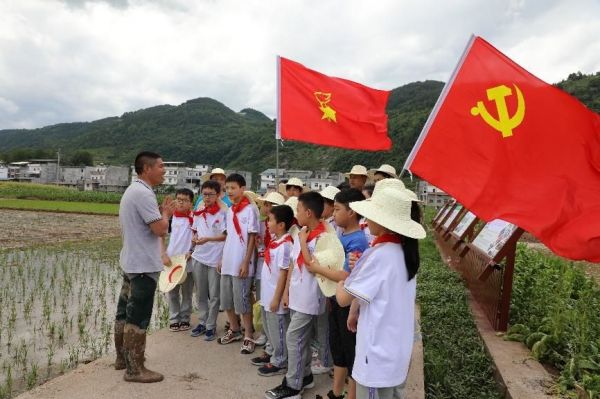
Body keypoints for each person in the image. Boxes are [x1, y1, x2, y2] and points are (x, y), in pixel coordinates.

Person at [336, 179, 425, 399]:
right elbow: (379, 290)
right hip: (396, 351)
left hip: (377, 356)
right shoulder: (404, 251)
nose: (366, 219)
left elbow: (343, 299)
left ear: (383, 220)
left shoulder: (379, 254)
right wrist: (357, 307)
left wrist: (341, 276)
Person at [115, 151, 175, 383]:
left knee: (124, 312)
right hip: (142, 266)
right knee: (137, 316)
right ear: (147, 168)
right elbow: (160, 229)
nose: (164, 170)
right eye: (161, 166)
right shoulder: (143, 194)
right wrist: (166, 214)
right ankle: (135, 369)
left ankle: (122, 359)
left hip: (132, 261)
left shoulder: (134, 190)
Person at [306, 188, 369, 399]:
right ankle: (336, 392)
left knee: (350, 353)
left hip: (347, 306)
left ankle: (350, 395)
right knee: (338, 349)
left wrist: (318, 269)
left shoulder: (358, 240)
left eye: (338, 209)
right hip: (335, 301)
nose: (333, 214)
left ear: (351, 212)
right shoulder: (342, 234)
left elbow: (345, 275)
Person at [265, 192, 327, 399]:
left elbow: (314, 267)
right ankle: (306, 375)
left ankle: (293, 385)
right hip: (297, 296)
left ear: (308, 212)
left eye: (298, 210)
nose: (296, 214)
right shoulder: (302, 232)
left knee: (293, 338)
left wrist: (302, 239)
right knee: (302, 339)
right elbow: (292, 263)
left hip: (310, 298)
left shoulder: (322, 237)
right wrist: (287, 292)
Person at [218, 173, 260, 354]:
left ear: (243, 189)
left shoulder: (250, 210)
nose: (230, 192)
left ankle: (249, 334)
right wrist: (221, 258)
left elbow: (252, 236)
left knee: (242, 300)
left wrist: (246, 261)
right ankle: (234, 329)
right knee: (227, 299)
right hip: (228, 260)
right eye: (227, 188)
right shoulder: (230, 211)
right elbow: (229, 237)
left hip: (242, 262)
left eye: (233, 188)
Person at [252, 204, 295, 376]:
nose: (267, 223)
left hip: (274, 296)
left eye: (270, 220)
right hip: (267, 294)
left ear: (281, 224)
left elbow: (284, 274)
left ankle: (280, 361)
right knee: (270, 328)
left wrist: (277, 298)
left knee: (278, 330)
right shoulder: (276, 242)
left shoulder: (285, 245)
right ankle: (272, 353)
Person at [189, 180, 227, 341]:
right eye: (204, 194)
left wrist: (208, 239)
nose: (207, 197)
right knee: (201, 293)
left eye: (211, 194)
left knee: (215, 295)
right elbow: (195, 231)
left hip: (215, 258)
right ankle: (202, 322)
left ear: (218, 195)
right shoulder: (199, 209)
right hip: (199, 256)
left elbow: (226, 235)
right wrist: (195, 239)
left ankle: (211, 326)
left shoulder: (224, 212)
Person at [255, 191, 286, 347]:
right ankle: (268, 341)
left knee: (275, 317)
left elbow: (283, 271)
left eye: (269, 205)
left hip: (274, 282)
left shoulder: (283, 240)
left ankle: (276, 351)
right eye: (265, 205)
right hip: (266, 275)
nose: (266, 208)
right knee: (265, 309)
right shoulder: (267, 227)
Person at [162, 188, 195, 333]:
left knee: (187, 293)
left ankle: (185, 318)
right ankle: (174, 319)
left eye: (185, 200)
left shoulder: (194, 218)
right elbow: (161, 235)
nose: (181, 203)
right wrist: (163, 254)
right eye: (179, 199)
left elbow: (197, 237)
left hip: (187, 259)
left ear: (191, 203)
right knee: (172, 292)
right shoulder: (171, 217)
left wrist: (192, 251)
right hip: (172, 260)